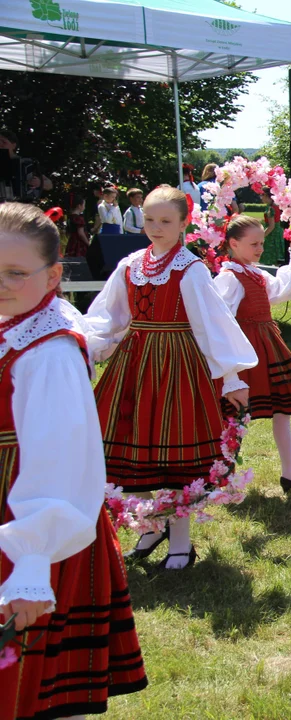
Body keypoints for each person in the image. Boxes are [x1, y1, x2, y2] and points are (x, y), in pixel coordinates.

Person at [0, 202, 148, 719]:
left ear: (53, 276)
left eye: (16, 273)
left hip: (34, 528)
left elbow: (61, 462)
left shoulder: (48, 353)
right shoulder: (13, 326)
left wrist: (31, 564)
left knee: (36, 694)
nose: (2, 284)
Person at [84, 186, 257, 571]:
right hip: (133, 366)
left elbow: (213, 325)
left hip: (178, 370)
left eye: (165, 221)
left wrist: (231, 378)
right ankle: (152, 524)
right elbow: (109, 317)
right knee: (126, 452)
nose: (155, 227)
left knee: (175, 458)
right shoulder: (129, 265)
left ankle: (181, 542)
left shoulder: (190, 269)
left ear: (183, 224)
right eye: (149, 219)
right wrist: (88, 349)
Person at [213, 215, 291, 491]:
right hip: (243, 351)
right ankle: (223, 476)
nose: (259, 249)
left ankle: (290, 472)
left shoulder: (255, 273)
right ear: (233, 244)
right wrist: (230, 370)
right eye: (254, 244)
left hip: (267, 345)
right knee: (233, 412)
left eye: (261, 243)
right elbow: (220, 322)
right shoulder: (228, 278)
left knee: (282, 408)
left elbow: (280, 291)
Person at [261, 187, 286, 266]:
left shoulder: (270, 209)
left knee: (271, 259)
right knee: (278, 260)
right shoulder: (277, 206)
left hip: (272, 235)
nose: (261, 198)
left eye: (261, 195)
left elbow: (271, 226)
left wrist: (262, 236)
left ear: (265, 195)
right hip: (279, 233)